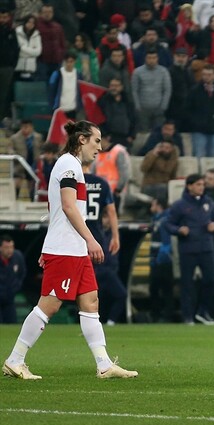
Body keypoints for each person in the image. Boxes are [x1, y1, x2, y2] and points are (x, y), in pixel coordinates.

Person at [2, 121, 138, 380]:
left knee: (91, 301)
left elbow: (56, 209)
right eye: (97, 141)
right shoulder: (68, 164)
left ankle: (104, 364)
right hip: (67, 248)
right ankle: (15, 359)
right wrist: (91, 239)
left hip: (72, 248)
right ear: (83, 140)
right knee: (49, 306)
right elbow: (67, 206)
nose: (100, 147)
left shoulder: (72, 166)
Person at [165, 173, 214, 325]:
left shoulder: (208, 202)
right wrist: (179, 230)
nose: (201, 188)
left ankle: (203, 311)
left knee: (211, 280)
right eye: (198, 185)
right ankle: (187, 316)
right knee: (187, 284)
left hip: (207, 247)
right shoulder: (179, 205)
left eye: (202, 185)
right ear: (189, 186)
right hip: (188, 248)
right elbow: (168, 224)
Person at [147, 197, 174, 323]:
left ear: (159, 205)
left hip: (162, 260)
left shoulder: (164, 220)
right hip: (156, 258)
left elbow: (166, 242)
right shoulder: (157, 219)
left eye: (153, 203)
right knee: (156, 288)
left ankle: (165, 315)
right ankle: (158, 314)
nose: (151, 207)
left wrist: (159, 259)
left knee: (163, 288)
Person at [0, 235, 26, 324]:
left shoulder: (18, 257)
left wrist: (16, 287)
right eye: (6, 247)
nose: (9, 250)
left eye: (11, 247)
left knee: (11, 324)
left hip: (10, 298)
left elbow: (22, 273)